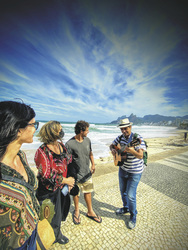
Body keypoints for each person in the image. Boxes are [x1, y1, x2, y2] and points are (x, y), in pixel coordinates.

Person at [0, 101, 40, 249]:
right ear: (18, 129)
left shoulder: (21, 156)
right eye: (33, 125)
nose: (36, 129)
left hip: (31, 233)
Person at [34, 121, 75, 245]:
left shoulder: (62, 145)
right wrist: (66, 180)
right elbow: (47, 175)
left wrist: (71, 180)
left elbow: (70, 161)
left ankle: (56, 235)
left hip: (60, 188)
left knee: (58, 213)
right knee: (44, 214)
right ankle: (42, 238)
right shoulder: (42, 151)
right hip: (46, 189)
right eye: (59, 130)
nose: (61, 132)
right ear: (52, 132)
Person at [110, 118, 147, 229]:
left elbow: (140, 155)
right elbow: (112, 145)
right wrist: (113, 150)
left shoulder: (137, 138)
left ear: (130, 127)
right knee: (123, 192)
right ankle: (126, 208)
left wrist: (132, 151)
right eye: (122, 129)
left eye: (125, 128)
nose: (123, 131)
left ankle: (133, 215)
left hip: (135, 171)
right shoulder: (120, 138)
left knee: (131, 195)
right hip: (123, 169)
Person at [66, 120, 102, 224]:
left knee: (88, 192)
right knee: (76, 194)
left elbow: (90, 153)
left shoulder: (88, 140)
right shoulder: (69, 144)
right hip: (76, 175)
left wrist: (93, 164)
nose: (88, 132)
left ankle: (90, 211)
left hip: (87, 173)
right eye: (87, 130)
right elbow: (67, 162)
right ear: (81, 131)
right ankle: (76, 211)